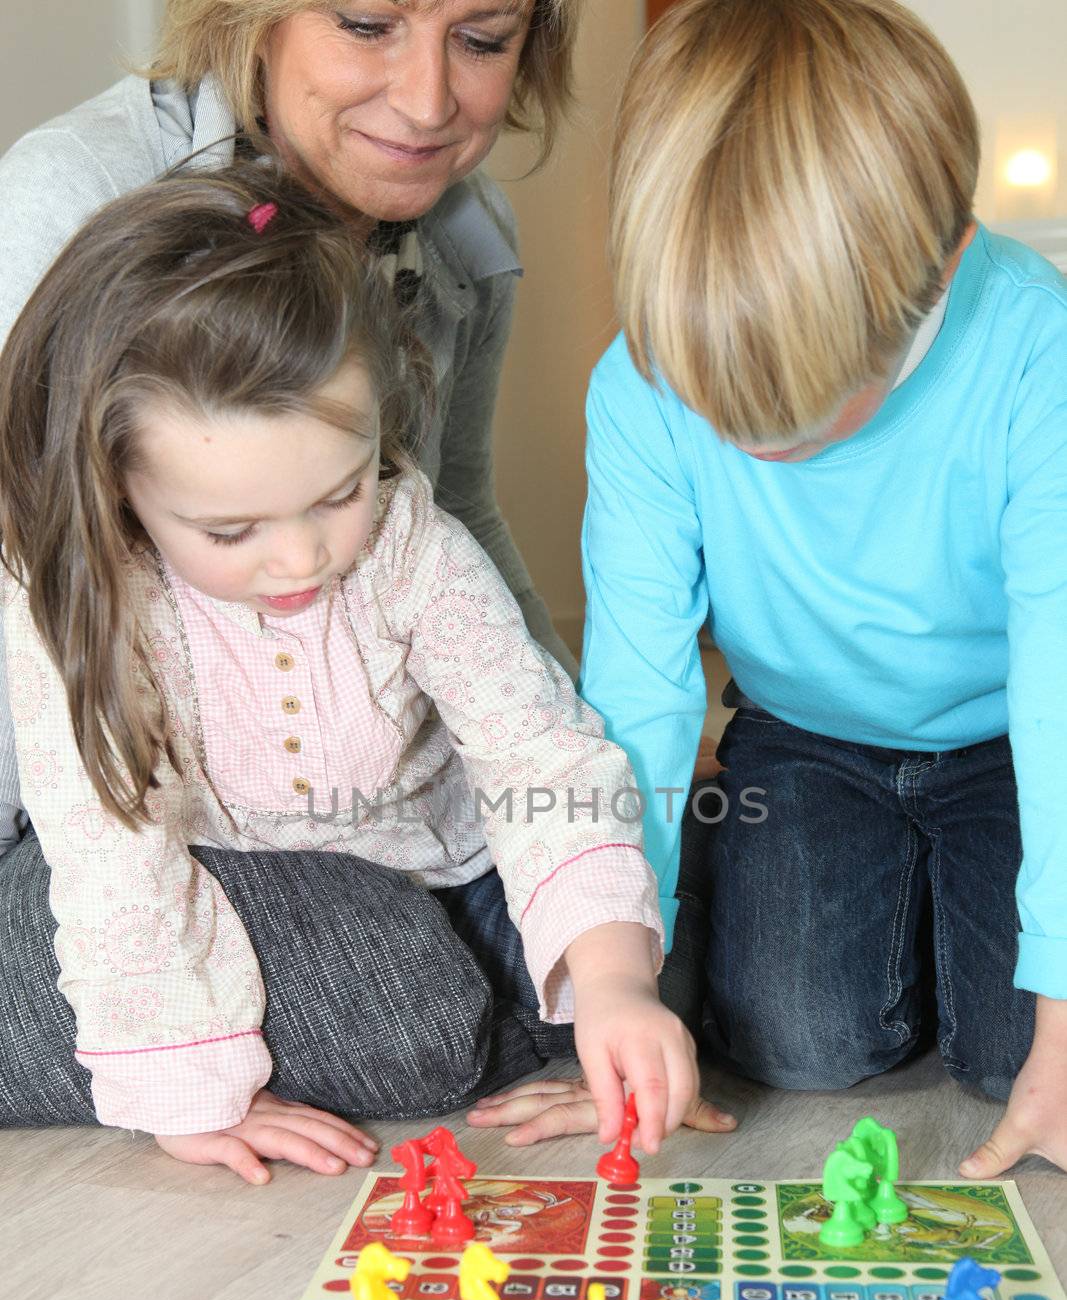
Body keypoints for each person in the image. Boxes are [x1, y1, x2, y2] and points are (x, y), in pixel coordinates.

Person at [0, 164, 728, 1181]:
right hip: (239, 866)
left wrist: (611, 984)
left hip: (443, 852)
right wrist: (188, 1096)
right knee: (406, 1012)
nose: (299, 560)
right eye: (230, 529)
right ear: (117, 490)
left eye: (336, 493)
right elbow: (110, 847)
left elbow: (538, 753)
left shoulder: (407, 539)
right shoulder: (87, 588)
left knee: (675, 942)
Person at [474, 0, 1067, 1176]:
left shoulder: (1034, 350)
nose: (758, 452)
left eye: (805, 407)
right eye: (717, 406)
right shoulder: (636, 384)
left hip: (1009, 740)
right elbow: (636, 698)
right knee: (793, 1038)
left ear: (940, 261)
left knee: (1017, 1057)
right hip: (803, 738)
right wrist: (617, 988)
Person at [0, 0, 583, 863]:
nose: (428, 103)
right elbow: (28, 587)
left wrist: (583, 744)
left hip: (377, 792)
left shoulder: (467, 237)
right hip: (132, 821)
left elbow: (460, 512)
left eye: (481, 40)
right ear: (246, 15)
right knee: (393, 967)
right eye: (364, 24)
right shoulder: (75, 197)